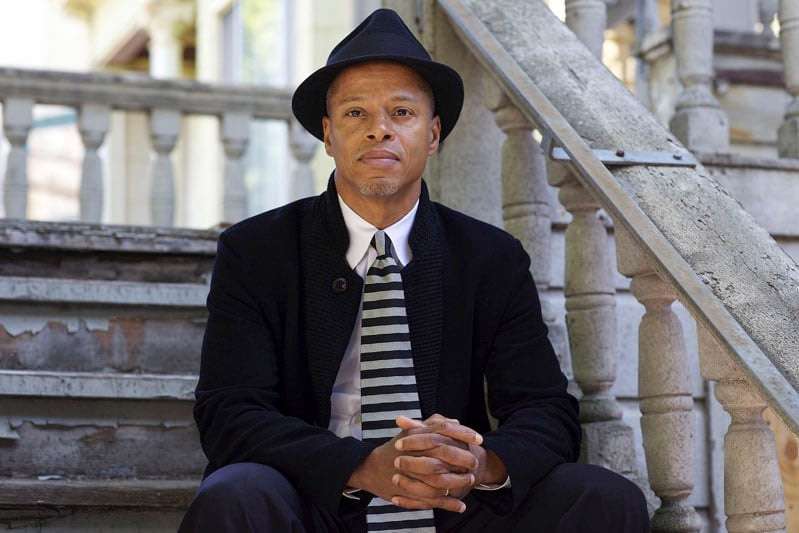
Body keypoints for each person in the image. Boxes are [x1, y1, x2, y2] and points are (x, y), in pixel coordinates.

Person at [178, 8, 649, 533]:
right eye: (356, 114)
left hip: (452, 507)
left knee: (605, 499)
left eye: (401, 112)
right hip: (318, 503)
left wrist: (479, 465)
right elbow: (230, 412)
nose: (379, 130)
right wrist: (360, 466)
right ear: (329, 135)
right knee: (235, 495)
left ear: (433, 134)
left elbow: (546, 410)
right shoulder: (257, 251)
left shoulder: (490, 257)